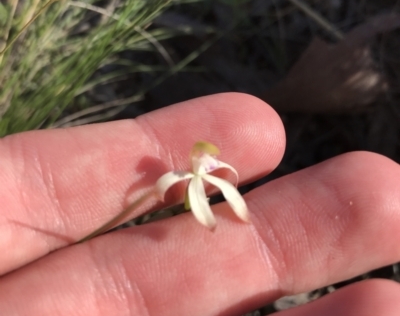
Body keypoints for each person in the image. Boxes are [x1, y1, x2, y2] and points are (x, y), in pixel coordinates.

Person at [0, 93, 399, 315]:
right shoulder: (183, 178)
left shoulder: (214, 174)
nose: (206, 155)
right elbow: (176, 188)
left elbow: (223, 194)